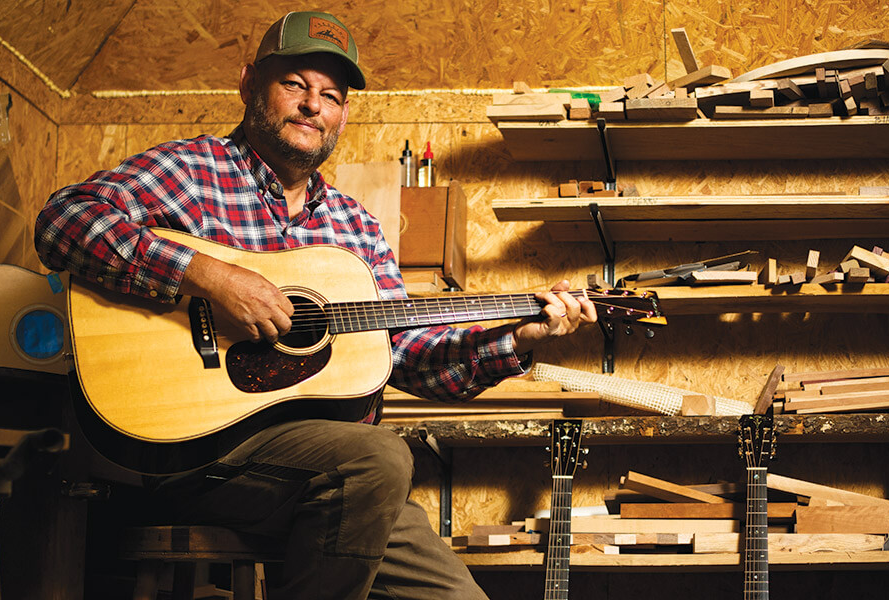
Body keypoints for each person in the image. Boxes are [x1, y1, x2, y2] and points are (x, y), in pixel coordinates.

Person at [34, 11, 596, 599]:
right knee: (380, 457)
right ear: (250, 84)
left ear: (343, 115)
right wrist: (210, 277)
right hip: (199, 453)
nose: (313, 106)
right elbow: (63, 221)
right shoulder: (191, 170)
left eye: (331, 95)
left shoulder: (357, 228)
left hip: (342, 478)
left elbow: (406, 356)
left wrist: (519, 339)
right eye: (295, 85)